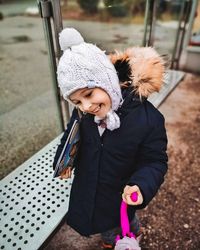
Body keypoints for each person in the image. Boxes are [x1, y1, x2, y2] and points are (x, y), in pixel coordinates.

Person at [53, 28, 168, 249]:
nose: (86, 106)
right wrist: (64, 158)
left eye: (88, 94)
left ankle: (132, 235)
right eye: (76, 101)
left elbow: (154, 161)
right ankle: (111, 242)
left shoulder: (148, 120)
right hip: (89, 186)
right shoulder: (84, 114)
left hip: (120, 195)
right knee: (104, 227)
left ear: (106, 81)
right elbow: (71, 134)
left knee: (120, 223)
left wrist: (141, 186)